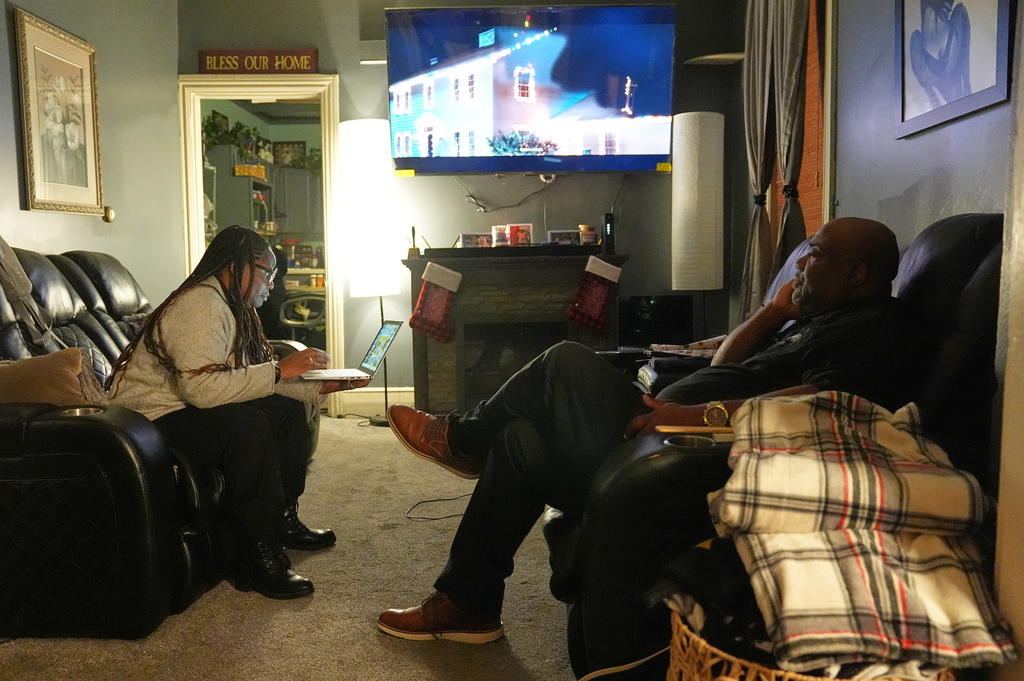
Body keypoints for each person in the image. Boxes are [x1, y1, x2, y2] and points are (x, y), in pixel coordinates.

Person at [376, 217, 939, 662]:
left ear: (857, 274)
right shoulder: (816, 319)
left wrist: (692, 416)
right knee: (520, 438)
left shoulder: (881, 330)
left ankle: (462, 436)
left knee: (564, 361)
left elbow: (822, 408)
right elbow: (725, 362)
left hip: (689, 446)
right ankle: (468, 604)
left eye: (814, 252)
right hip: (672, 420)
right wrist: (772, 312)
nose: (801, 261)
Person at [107, 226, 367, 600]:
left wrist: (316, 388)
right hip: (149, 420)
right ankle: (259, 558)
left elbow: (246, 378)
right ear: (237, 266)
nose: (271, 285)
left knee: (286, 408)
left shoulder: (230, 305)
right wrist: (281, 369)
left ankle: (283, 518)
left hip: (185, 406)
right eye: (267, 272)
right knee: (245, 425)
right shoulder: (200, 305)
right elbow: (203, 389)